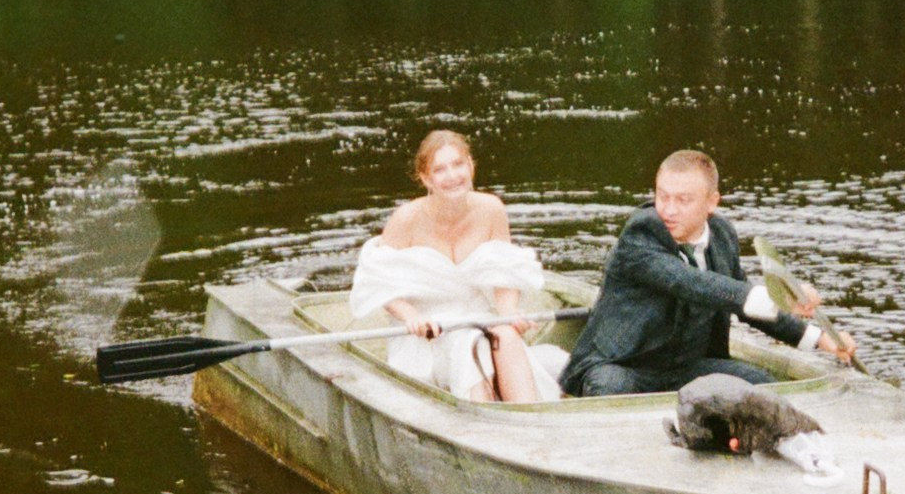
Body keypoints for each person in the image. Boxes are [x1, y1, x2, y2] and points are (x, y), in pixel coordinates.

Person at [558, 149, 856, 397]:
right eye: (663, 196)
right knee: (609, 387)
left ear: (711, 203)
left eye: (683, 200)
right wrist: (779, 297)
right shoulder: (641, 233)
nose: (669, 210)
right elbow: (691, 283)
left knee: (765, 387)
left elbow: (741, 297)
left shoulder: (722, 235)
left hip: (688, 368)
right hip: (624, 367)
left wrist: (820, 339)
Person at [350, 129, 566, 404]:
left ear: (471, 166)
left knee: (506, 335)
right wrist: (411, 316)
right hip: (430, 329)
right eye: (440, 170)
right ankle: (484, 417)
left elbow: (504, 273)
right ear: (425, 178)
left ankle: (527, 416)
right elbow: (379, 284)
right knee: (467, 342)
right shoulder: (406, 219)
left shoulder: (492, 209)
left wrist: (508, 314)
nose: (452, 176)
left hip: (478, 315)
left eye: (458, 164)